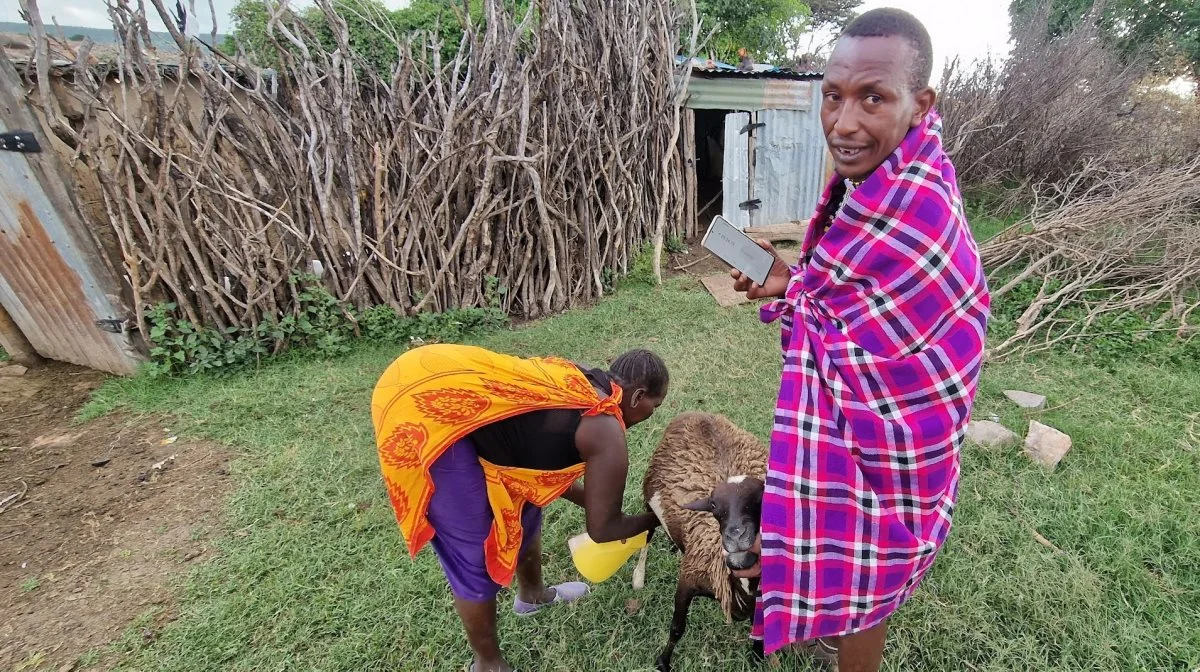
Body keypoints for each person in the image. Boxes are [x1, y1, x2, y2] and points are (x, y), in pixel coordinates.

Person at [728, 8, 991, 672]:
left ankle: (853, 627)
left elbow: (910, 316)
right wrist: (788, 280)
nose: (844, 123)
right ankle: (834, 615)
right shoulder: (877, 180)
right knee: (839, 532)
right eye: (834, 96)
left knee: (870, 563)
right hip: (856, 414)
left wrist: (803, 292)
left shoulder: (918, 208)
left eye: (873, 97)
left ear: (919, 102)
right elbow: (837, 289)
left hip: (903, 433)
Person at [370, 343, 668, 672]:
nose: (651, 415)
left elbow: (541, 470)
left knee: (526, 505)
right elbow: (603, 530)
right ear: (638, 396)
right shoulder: (605, 430)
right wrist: (659, 518)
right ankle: (488, 664)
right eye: (656, 405)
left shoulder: (585, 380)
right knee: (474, 554)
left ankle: (533, 595)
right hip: (428, 411)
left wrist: (600, 504)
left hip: (430, 371)